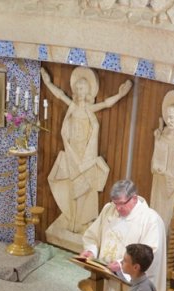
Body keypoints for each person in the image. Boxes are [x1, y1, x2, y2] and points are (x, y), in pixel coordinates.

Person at [40, 67, 132, 237]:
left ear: (88, 91)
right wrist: (47, 83)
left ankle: (82, 221)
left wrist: (120, 95)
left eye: (83, 88)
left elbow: (106, 103)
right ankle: (72, 219)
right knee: (71, 185)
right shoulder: (73, 106)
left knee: (84, 186)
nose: (80, 91)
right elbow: (59, 95)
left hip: (85, 153)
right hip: (72, 152)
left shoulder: (89, 109)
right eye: (78, 88)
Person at [81, 179, 167, 291]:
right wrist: (91, 251)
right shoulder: (109, 209)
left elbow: (150, 253)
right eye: (115, 203)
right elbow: (93, 235)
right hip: (105, 274)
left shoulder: (150, 219)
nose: (118, 208)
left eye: (121, 203)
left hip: (130, 282)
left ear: (134, 198)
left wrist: (122, 265)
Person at [150, 90, 174, 227]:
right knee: (156, 208)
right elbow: (156, 157)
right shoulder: (162, 136)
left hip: (171, 184)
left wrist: (173, 177)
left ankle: (165, 235)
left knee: (167, 214)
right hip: (159, 180)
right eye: (168, 118)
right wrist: (157, 140)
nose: (170, 121)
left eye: (172, 117)